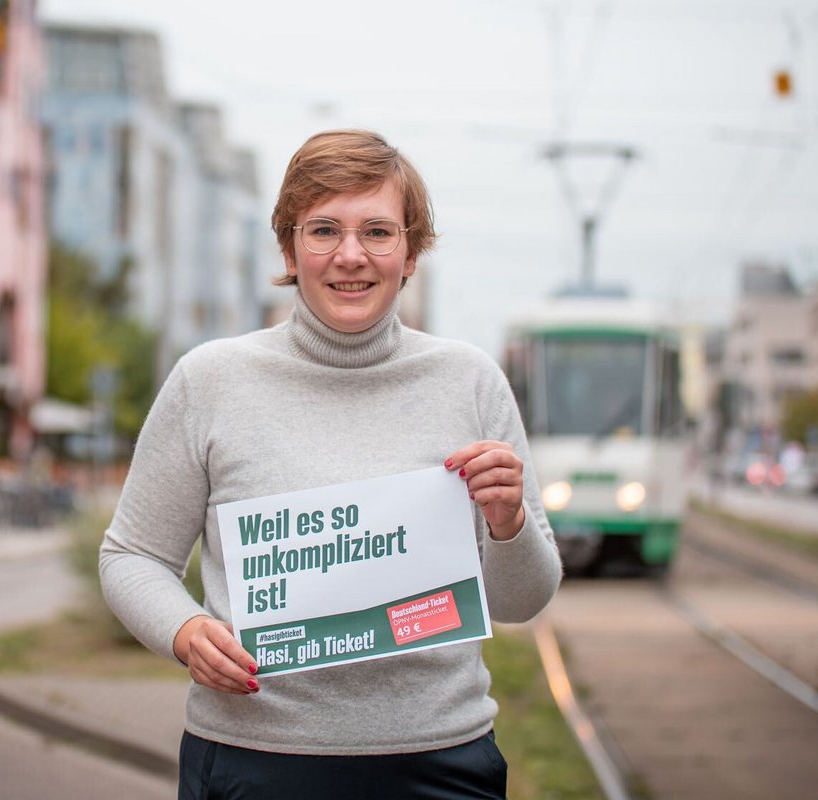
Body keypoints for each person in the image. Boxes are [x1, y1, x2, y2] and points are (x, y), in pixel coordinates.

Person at [100, 129, 562, 799]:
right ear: (289, 248)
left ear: (411, 252)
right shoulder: (210, 381)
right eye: (323, 231)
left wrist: (509, 522)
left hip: (440, 763)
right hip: (254, 759)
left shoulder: (469, 382)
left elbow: (523, 601)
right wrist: (185, 629)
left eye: (377, 231)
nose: (351, 256)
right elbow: (131, 556)